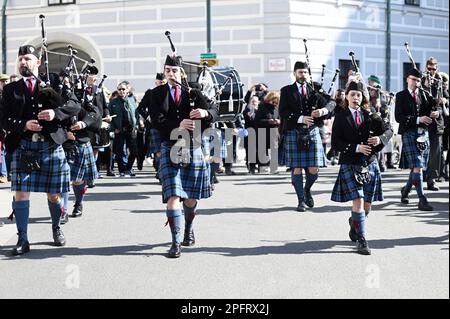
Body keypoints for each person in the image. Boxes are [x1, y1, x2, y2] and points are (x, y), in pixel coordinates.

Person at [0, 45, 80, 255]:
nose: (23, 62)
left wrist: (56, 113)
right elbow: (3, 119)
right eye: (20, 59)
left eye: (27, 58)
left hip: (50, 145)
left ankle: (56, 227)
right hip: (23, 146)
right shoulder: (10, 89)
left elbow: (74, 106)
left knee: (54, 194)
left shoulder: (53, 82)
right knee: (20, 194)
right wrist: (23, 125)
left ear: (37, 62)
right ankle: (23, 239)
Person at [150, 54, 218, 258]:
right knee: (173, 195)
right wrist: (177, 125)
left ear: (181, 72)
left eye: (174, 70)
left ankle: (188, 227)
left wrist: (205, 114)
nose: (171, 74)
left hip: (193, 146)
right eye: (167, 70)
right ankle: (175, 241)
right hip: (170, 146)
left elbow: (214, 110)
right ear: (164, 72)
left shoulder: (194, 93)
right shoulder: (156, 94)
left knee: (190, 199)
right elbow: (156, 120)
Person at [331, 81, 393, 255]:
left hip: (370, 162)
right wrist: (357, 147)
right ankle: (362, 239)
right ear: (347, 97)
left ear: (362, 97)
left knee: (367, 205)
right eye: (352, 95)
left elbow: (389, 131)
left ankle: (355, 222)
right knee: (357, 200)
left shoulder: (371, 114)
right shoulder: (341, 116)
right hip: (350, 162)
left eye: (358, 95)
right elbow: (336, 142)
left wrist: (380, 139)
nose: (356, 98)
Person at [279, 61, 335, 212]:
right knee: (297, 168)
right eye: (300, 72)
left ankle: (307, 189)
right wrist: (300, 118)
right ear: (294, 73)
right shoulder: (286, 90)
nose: (303, 75)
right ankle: (300, 201)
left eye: (305, 72)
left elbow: (332, 103)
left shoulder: (315, 88)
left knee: (314, 169)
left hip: (312, 131)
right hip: (294, 131)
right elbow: (283, 112)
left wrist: (323, 111)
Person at [396, 68, 439, 211]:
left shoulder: (425, 95)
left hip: (423, 134)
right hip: (409, 132)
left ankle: (406, 190)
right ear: (407, 79)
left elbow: (433, 107)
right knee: (418, 166)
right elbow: (399, 117)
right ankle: (422, 199)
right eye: (413, 79)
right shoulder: (401, 96)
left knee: (417, 166)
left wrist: (435, 112)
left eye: (418, 80)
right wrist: (418, 119)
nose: (416, 82)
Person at [422, 58, 446, 191]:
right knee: (422, 150)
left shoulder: (440, 82)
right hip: (424, 120)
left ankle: (431, 179)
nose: (431, 71)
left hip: (437, 122)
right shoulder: (421, 80)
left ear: (437, 68)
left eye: (434, 69)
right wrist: (425, 85)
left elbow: (442, 104)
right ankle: (418, 177)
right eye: (429, 68)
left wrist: (439, 111)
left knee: (436, 151)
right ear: (426, 68)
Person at [109, 81, 140, 177]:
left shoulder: (131, 100)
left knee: (134, 151)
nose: (121, 91)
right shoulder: (113, 102)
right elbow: (110, 117)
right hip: (119, 129)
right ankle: (121, 170)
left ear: (127, 90)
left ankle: (129, 168)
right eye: (119, 89)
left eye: (123, 89)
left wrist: (137, 125)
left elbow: (136, 114)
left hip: (131, 129)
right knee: (119, 151)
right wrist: (114, 128)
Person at [255, 91, 281, 173]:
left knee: (275, 149)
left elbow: (282, 118)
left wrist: (279, 121)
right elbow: (257, 120)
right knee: (263, 149)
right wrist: (269, 121)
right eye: (273, 100)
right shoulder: (262, 106)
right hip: (263, 130)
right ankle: (263, 166)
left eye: (276, 101)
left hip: (274, 131)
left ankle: (274, 167)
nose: (274, 103)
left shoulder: (277, 108)